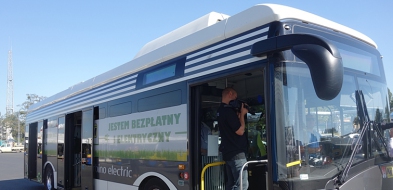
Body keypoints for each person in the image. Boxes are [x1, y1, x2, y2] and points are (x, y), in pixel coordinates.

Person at [217, 87, 248, 190]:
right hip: (237, 154)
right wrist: (242, 115)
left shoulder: (220, 111)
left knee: (231, 184)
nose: (236, 100)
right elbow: (240, 131)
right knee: (242, 185)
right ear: (230, 94)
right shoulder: (228, 111)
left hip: (228, 154)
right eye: (235, 97)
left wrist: (238, 116)